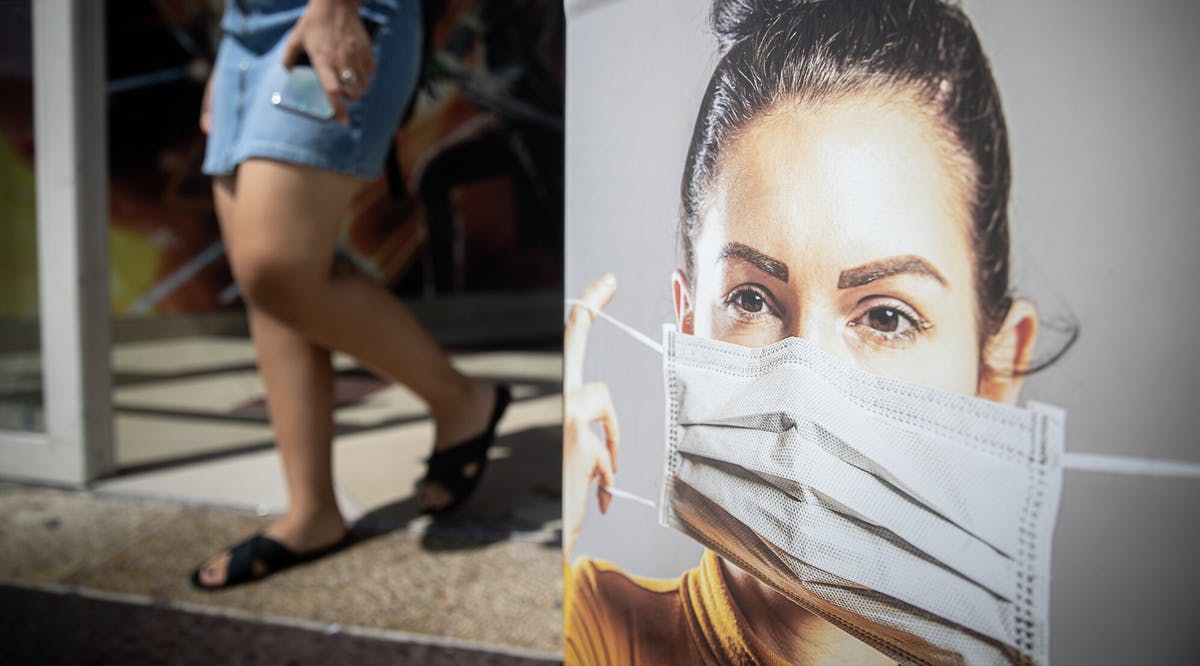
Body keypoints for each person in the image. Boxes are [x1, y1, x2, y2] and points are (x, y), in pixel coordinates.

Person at [563, 0, 1062, 663]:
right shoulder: (583, 634)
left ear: (1000, 367)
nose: (805, 385)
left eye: (886, 316)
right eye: (750, 297)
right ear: (687, 331)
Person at [191, 0, 510, 590]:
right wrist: (229, 46)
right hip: (245, 35)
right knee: (270, 275)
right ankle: (311, 511)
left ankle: (460, 399)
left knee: (275, 266)